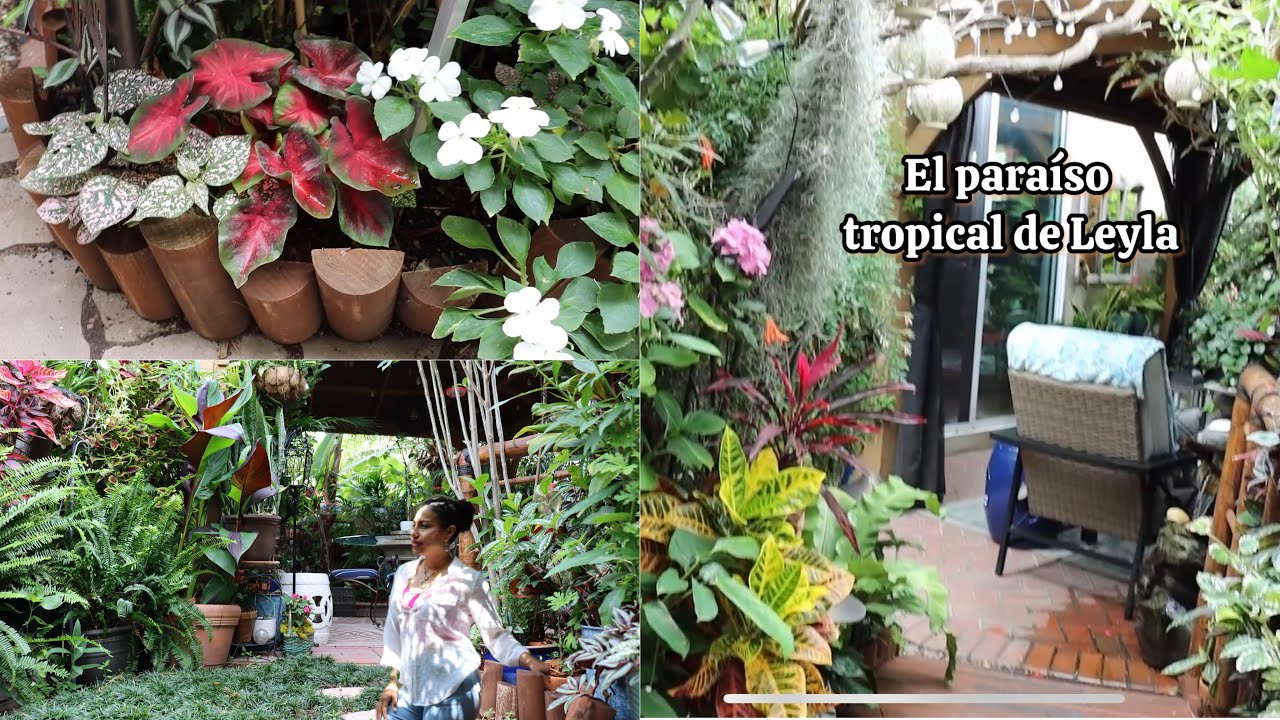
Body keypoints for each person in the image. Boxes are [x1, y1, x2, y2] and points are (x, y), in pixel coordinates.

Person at [377, 496, 552, 720]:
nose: (414, 533)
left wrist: (529, 660)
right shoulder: (404, 573)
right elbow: (394, 633)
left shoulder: (469, 581)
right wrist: (392, 682)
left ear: (448, 532)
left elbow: (495, 635)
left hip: (454, 688)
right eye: (414, 525)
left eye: (425, 526)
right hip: (414, 688)